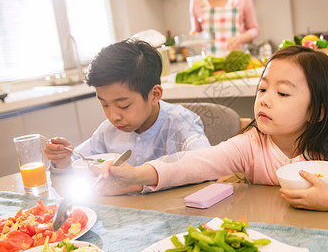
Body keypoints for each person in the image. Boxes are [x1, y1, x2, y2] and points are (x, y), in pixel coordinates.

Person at [92, 45, 328, 212]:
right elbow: (196, 162)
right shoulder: (251, 144)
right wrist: (140, 174)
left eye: (283, 93)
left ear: (317, 111)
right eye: (262, 90)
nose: (265, 100)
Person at [45, 39, 210, 171]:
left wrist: (145, 178)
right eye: (104, 105)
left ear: (154, 95)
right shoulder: (106, 132)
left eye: (123, 105)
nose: (113, 116)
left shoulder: (181, 123)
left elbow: (206, 163)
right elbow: (77, 162)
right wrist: (63, 160)